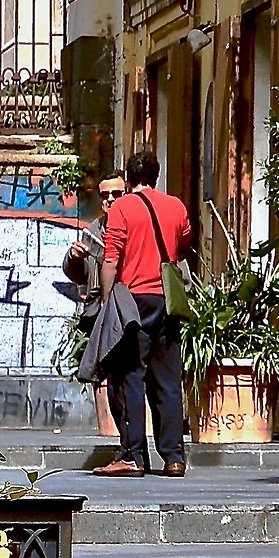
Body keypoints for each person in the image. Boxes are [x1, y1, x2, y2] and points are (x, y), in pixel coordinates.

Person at [91, 151, 193, 478]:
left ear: (130, 179)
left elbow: (111, 260)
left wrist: (108, 303)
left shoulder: (121, 208)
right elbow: (184, 244)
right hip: (166, 300)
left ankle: (133, 455)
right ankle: (174, 458)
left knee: (130, 376)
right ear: (156, 175)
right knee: (167, 380)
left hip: (134, 301)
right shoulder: (176, 206)